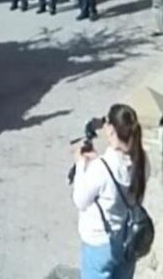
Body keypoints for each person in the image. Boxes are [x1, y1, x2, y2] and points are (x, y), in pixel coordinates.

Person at [72, 104, 148, 279]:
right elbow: (118, 177)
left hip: (99, 244)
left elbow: (80, 200)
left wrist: (81, 164)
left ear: (112, 131)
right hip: (128, 238)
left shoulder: (101, 168)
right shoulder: (142, 161)